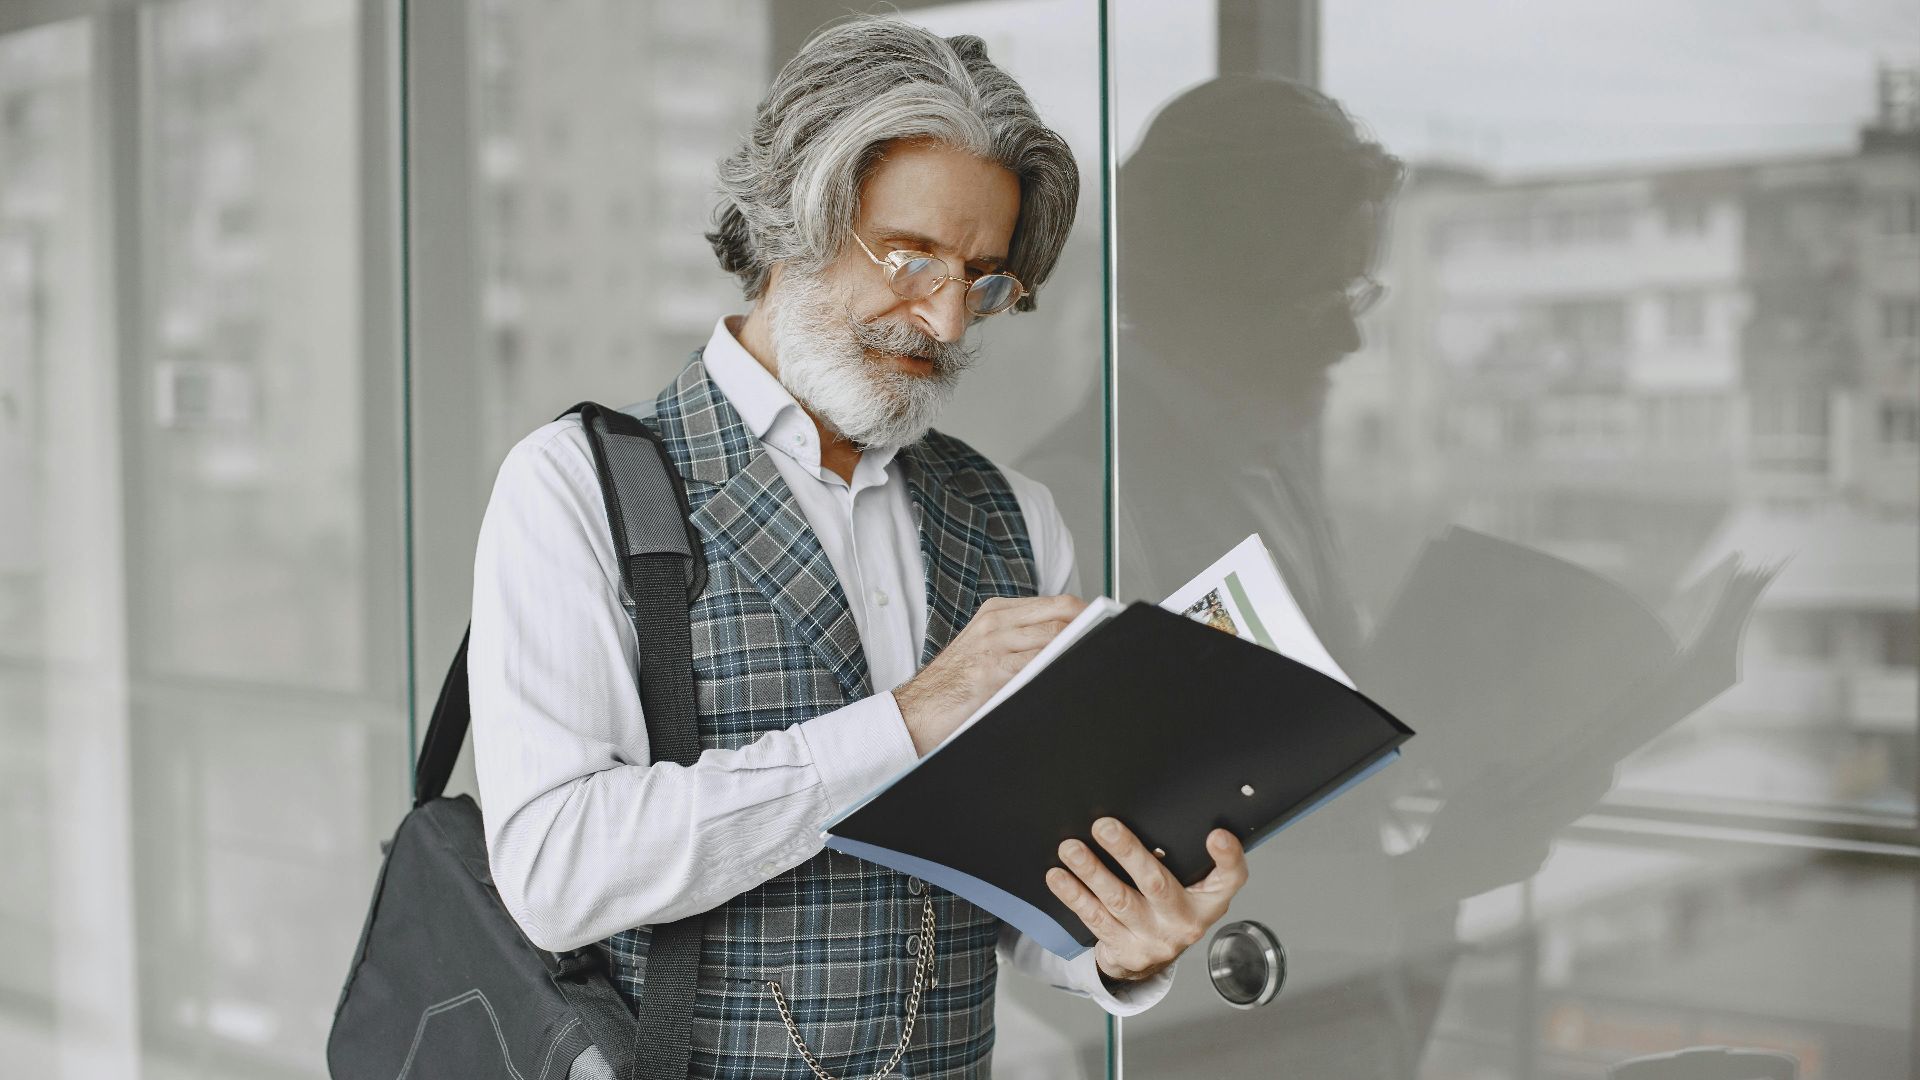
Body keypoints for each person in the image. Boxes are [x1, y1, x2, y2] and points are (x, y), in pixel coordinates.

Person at [467, 17, 1249, 1080]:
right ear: (793, 217)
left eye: (981, 277)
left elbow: (1022, 901)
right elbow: (558, 870)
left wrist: (1121, 943)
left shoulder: (1016, 517)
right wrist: (909, 721)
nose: (942, 319)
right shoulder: (576, 488)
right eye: (911, 254)